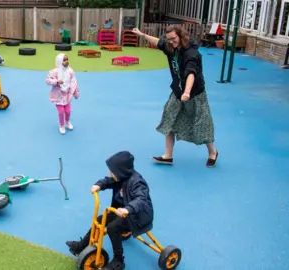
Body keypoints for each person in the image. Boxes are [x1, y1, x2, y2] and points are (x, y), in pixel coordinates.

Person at [131, 25, 219, 168]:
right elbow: (158, 42)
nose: (171, 42)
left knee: (202, 125)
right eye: (169, 39)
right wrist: (142, 35)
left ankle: (212, 152)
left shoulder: (191, 53)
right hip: (178, 92)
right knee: (169, 119)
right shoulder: (171, 47)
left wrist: (187, 92)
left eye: (174, 39)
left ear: (181, 36)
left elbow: (191, 74)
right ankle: (168, 156)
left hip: (194, 93)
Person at [65, 151, 154, 270]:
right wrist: (99, 185)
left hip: (137, 217)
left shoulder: (137, 182)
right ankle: (82, 245)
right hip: (122, 211)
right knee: (100, 220)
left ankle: (119, 261)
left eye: (113, 171)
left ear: (122, 171)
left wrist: (128, 209)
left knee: (113, 228)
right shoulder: (119, 177)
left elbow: (141, 199)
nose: (110, 173)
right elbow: (108, 180)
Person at [46, 53, 79, 134]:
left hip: (67, 96)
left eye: (67, 60)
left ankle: (67, 121)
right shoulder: (54, 72)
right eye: (64, 60)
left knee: (68, 111)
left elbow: (74, 82)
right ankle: (61, 125)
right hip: (58, 96)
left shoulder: (70, 71)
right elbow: (47, 80)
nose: (66, 61)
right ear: (59, 61)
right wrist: (56, 82)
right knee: (61, 112)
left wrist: (75, 92)